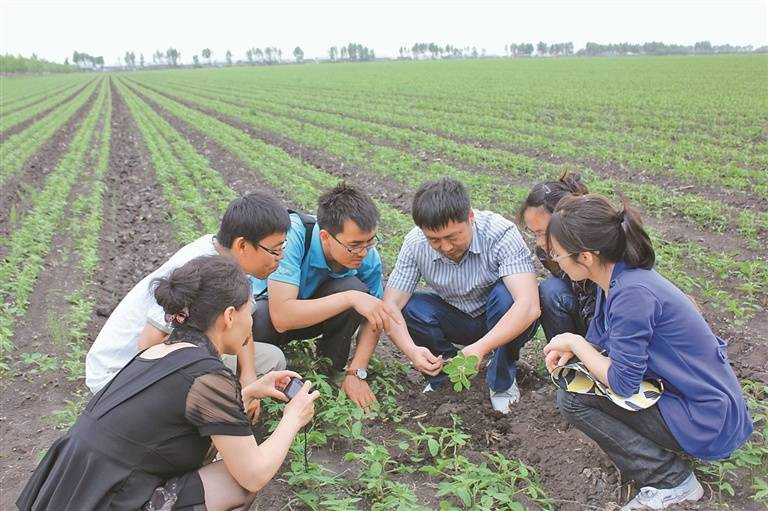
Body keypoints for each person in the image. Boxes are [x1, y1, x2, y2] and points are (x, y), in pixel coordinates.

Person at [18, 255, 320, 511]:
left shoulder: (161, 352)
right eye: (248, 312)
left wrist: (249, 392)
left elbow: (171, 423)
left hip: (74, 489)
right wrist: (293, 418)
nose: (251, 322)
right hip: (109, 499)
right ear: (229, 316)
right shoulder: (207, 376)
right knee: (236, 482)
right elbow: (254, 474)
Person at [542, 194, 753, 510]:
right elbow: (602, 340)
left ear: (585, 257)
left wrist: (576, 343)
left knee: (573, 398)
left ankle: (671, 480)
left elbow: (623, 382)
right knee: (577, 385)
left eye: (557, 254)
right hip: (698, 403)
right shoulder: (616, 279)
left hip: (709, 420)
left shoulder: (632, 294)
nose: (556, 261)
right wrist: (576, 353)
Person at [86, 192, 290, 418]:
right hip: (119, 375)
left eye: (282, 248)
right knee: (212, 379)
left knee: (271, 360)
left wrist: (248, 375)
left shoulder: (234, 264)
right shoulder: (197, 268)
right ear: (242, 245)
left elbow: (243, 327)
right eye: (274, 250)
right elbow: (150, 342)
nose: (280, 257)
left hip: (176, 354)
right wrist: (210, 379)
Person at [382, 178, 540, 414]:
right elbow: (390, 307)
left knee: (508, 296)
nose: (446, 247)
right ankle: (445, 376)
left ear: (470, 217)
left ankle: (502, 381)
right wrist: (412, 351)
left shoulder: (499, 233)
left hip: (499, 316)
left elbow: (528, 305)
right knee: (410, 308)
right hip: (457, 318)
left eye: (453, 237)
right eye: (434, 240)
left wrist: (482, 347)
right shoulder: (415, 244)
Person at [251, 183, 396, 410]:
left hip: (312, 315)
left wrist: (356, 371)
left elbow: (374, 318)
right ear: (326, 237)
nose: (363, 252)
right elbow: (281, 317)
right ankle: (267, 369)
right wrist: (350, 298)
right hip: (270, 315)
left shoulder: (367, 257)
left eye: (369, 242)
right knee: (258, 318)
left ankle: (331, 370)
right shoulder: (293, 236)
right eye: (354, 245)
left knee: (355, 288)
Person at [519, 172, 595, 340]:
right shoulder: (547, 253)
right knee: (551, 291)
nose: (540, 242)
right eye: (535, 233)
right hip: (585, 315)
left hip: (610, 326)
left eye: (544, 233)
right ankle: (563, 355)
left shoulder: (595, 248)